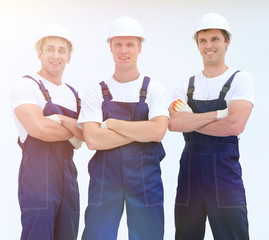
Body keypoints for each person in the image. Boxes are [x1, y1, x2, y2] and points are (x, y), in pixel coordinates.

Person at [78, 16, 169, 240]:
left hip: (146, 180)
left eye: (130, 44)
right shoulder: (96, 92)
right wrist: (142, 132)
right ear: (110, 48)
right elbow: (93, 140)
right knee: (96, 236)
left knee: (149, 236)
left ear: (139, 48)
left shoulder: (156, 89)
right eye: (118, 44)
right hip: (104, 181)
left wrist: (111, 124)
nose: (124, 50)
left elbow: (158, 132)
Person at [169, 13, 254, 240]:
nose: (209, 46)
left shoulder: (240, 79)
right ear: (197, 45)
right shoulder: (185, 85)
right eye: (203, 41)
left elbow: (235, 125)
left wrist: (191, 120)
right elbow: (175, 123)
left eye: (215, 39)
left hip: (224, 174)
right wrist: (219, 114)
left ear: (227, 42)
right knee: (186, 235)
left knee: (233, 235)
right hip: (190, 174)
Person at [10, 24, 83, 240]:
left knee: (68, 234)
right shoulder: (26, 86)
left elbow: (85, 137)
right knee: (38, 234)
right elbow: (38, 128)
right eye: (50, 49)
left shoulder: (73, 93)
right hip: (37, 173)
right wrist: (71, 127)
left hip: (68, 174)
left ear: (68, 57)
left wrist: (58, 119)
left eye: (62, 50)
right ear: (40, 53)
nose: (56, 55)